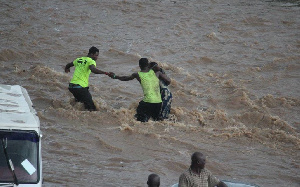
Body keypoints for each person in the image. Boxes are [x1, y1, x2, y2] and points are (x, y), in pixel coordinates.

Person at [109, 58, 171, 122]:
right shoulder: (157, 73)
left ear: (139, 66)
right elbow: (168, 80)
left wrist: (115, 76)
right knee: (155, 121)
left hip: (147, 102)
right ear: (148, 65)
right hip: (158, 103)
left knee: (138, 121)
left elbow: (125, 78)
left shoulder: (137, 74)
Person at [64, 46, 110, 111]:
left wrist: (66, 69)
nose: (97, 57)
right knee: (92, 109)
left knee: (80, 104)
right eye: (96, 55)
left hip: (72, 87)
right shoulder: (91, 61)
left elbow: (68, 65)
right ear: (91, 54)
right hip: (80, 87)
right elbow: (93, 69)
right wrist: (105, 73)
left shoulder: (79, 59)